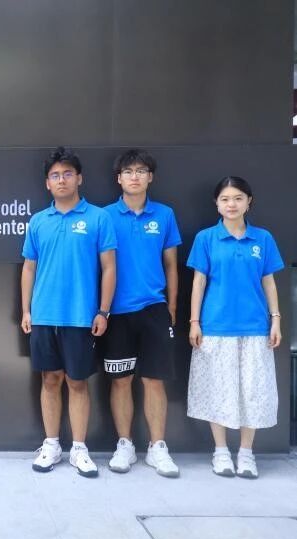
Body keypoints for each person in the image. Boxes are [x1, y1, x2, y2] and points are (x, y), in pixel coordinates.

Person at [21, 146, 117, 478]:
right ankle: (51, 445)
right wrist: (26, 310)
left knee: (77, 382)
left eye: (67, 174)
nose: (61, 180)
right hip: (44, 316)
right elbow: (29, 268)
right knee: (50, 380)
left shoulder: (98, 218)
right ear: (47, 183)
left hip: (81, 317)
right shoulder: (38, 221)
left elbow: (109, 267)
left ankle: (79, 448)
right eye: (55, 175)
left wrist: (103, 311)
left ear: (79, 178)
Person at [187, 176, 283, 479]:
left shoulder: (263, 239)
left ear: (248, 202)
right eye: (226, 199)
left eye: (238, 198)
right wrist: (194, 322)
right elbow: (199, 282)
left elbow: (269, 281)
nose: (232, 204)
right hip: (215, 327)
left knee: (251, 392)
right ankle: (220, 452)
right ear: (216, 203)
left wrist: (276, 319)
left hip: (255, 328)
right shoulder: (206, 238)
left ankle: (246, 453)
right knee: (217, 390)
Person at [102, 149, 182, 478]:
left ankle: (157, 447)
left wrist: (171, 307)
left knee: (154, 380)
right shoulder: (104, 216)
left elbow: (171, 265)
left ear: (151, 177)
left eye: (141, 170)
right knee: (120, 381)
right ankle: (125, 444)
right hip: (116, 312)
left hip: (154, 309)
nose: (134, 176)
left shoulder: (164, 215)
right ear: (118, 178)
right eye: (128, 171)